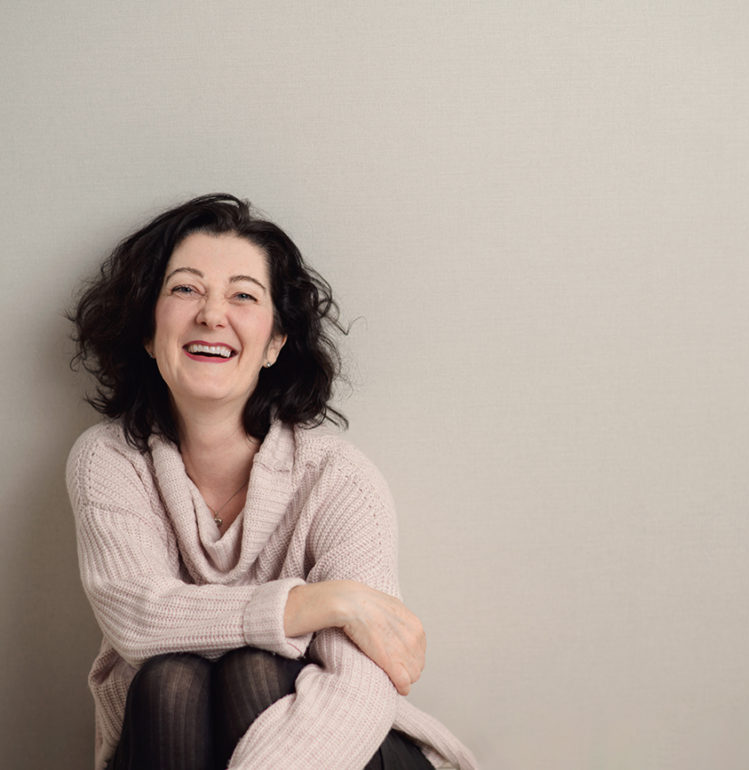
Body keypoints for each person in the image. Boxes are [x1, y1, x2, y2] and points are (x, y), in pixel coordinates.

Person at [67, 194, 477, 770]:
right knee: (167, 680)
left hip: (344, 744)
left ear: (276, 343)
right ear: (148, 331)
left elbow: (360, 682)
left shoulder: (338, 477)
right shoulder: (110, 460)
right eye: (185, 289)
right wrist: (326, 601)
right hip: (168, 734)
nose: (212, 315)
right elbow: (138, 618)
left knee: (255, 670)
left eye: (243, 295)